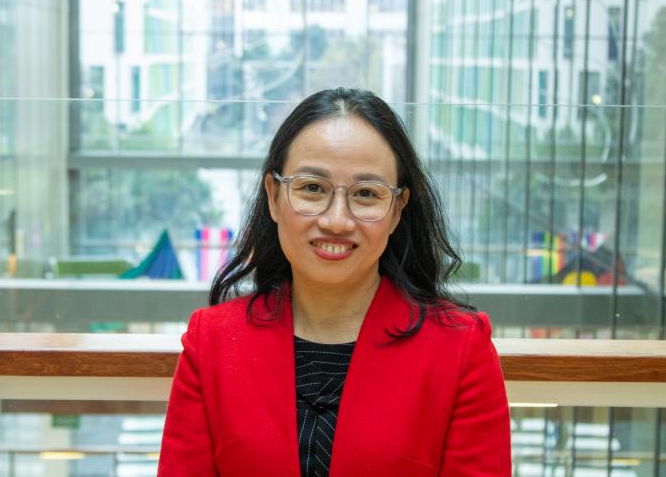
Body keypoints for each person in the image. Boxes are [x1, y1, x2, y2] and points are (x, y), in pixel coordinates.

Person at [158, 88, 511, 476]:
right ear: (274, 196)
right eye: (312, 188)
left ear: (397, 210)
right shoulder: (210, 343)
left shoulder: (460, 350)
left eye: (365, 194)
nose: (337, 221)